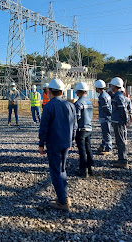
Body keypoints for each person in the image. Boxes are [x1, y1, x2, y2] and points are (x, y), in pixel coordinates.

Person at [39, 78, 76, 212]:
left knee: (55, 171)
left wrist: (41, 144)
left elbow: (44, 127)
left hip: (53, 143)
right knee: (62, 169)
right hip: (66, 143)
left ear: (49, 92)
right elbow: (74, 125)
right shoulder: (71, 105)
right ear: (62, 91)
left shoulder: (49, 106)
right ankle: (64, 196)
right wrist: (71, 140)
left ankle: (62, 201)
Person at [74, 82, 94, 178]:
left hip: (81, 129)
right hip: (89, 128)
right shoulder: (89, 102)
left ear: (78, 92)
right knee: (88, 148)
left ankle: (83, 170)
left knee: (82, 150)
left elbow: (76, 118)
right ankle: (91, 168)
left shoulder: (78, 103)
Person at [110, 77, 129, 169]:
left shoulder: (119, 96)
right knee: (118, 141)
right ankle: (121, 158)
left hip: (119, 122)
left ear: (115, 86)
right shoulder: (116, 95)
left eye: (111, 85)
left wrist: (126, 120)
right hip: (116, 121)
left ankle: (123, 160)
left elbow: (123, 110)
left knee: (120, 141)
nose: (110, 87)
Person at [95, 80, 113, 155]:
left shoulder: (102, 97)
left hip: (105, 117)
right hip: (107, 117)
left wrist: (110, 115)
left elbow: (106, 108)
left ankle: (109, 148)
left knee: (106, 133)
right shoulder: (106, 94)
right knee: (105, 132)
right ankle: (103, 145)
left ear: (98, 88)